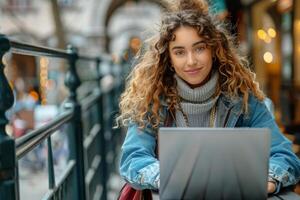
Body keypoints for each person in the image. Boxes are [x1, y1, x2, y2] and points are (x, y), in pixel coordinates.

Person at [117, 0, 300, 197]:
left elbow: (284, 156)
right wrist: (167, 177)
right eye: (179, 52)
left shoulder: (243, 99)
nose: (191, 61)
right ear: (168, 58)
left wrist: (269, 180)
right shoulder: (152, 102)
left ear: (214, 49)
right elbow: (133, 158)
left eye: (199, 48)